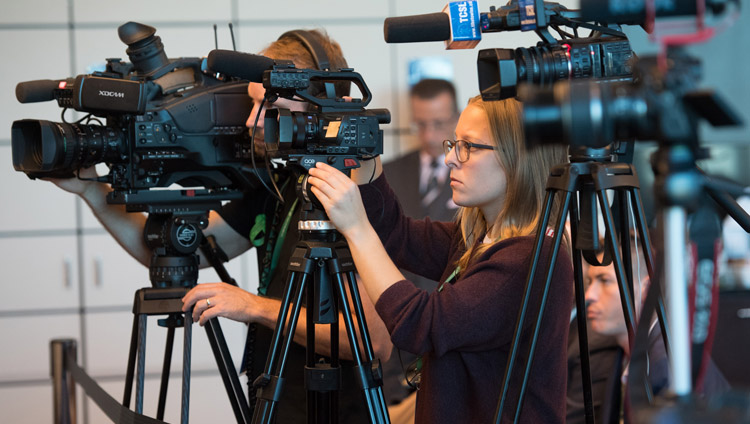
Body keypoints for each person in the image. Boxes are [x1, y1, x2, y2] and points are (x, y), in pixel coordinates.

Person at [47, 29, 391, 422]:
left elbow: (372, 341)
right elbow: (181, 247)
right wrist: (91, 191)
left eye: (264, 106)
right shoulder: (279, 185)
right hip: (274, 406)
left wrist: (252, 306)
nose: (249, 121)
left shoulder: (356, 194)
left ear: (315, 104)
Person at [307, 96, 573, 423]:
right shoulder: (477, 239)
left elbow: (423, 324)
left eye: (468, 147)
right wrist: (363, 151)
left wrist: (356, 230)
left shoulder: (529, 257)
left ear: (516, 158)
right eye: (454, 143)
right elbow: (395, 233)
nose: (449, 158)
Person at [580, 244, 729, 422]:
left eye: (604, 281)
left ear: (646, 290)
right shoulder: (627, 350)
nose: (589, 295)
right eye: (589, 282)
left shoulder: (666, 362)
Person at [380, 78, 459, 413]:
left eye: (439, 123)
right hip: (393, 335)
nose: (429, 135)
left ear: (457, 116)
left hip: (449, 333)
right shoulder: (388, 173)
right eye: (421, 124)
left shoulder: (477, 177)